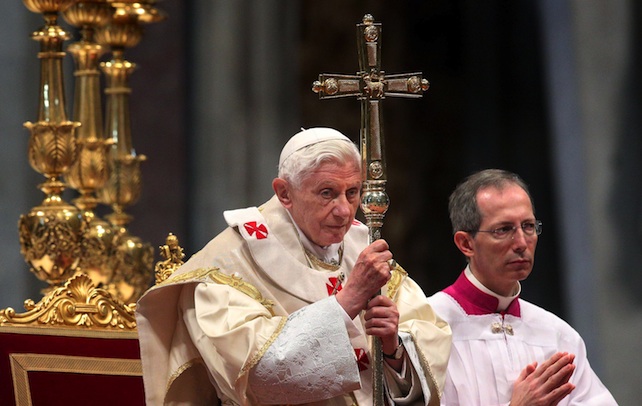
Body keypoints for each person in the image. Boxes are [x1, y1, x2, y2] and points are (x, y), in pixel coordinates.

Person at [136, 127, 452, 405]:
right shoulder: (230, 263)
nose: (344, 210)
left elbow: (427, 343)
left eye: (352, 192)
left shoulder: (361, 246)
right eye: (327, 193)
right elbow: (257, 376)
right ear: (284, 193)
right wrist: (346, 303)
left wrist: (393, 348)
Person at [426, 169, 617, 405]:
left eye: (528, 226)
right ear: (466, 243)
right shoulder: (428, 326)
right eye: (504, 229)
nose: (521, 243)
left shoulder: (557, 335)